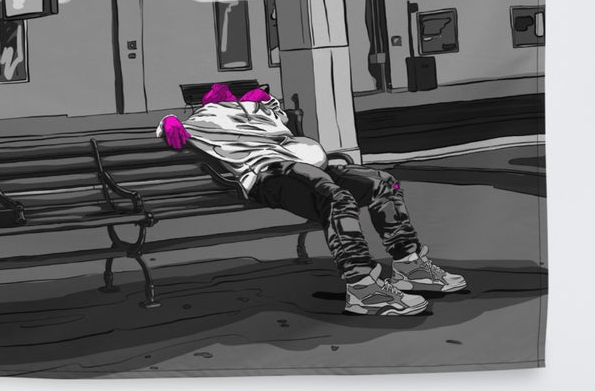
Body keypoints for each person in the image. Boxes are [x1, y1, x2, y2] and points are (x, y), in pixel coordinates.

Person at [156, 83, 467, 315]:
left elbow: (286, 132)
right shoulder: (208, 116)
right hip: (269, 174)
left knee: (380, 182)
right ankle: (363, 288)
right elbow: (169, 126)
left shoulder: (262, 112)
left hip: (307, 165)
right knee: (337, 198)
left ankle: (409, 265)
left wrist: (265, 105)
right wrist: (170, 122)